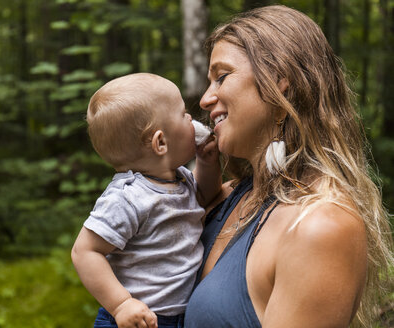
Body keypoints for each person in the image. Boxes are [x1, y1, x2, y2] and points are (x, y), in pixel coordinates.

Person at [184, 5, 393, 328]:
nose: (206, 99)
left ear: (280, 80)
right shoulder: (230, 198)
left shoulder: (321, 225)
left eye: (222, 77)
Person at [71, 73, 221, 328]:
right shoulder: (127, 198)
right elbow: (84, 251)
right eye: (183, 114)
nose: (191, 119)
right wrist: (121, 304)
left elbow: (206, 197)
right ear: (160, 142)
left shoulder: (181, 178)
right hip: (137, 319)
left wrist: (207, 163)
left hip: (180, 318)